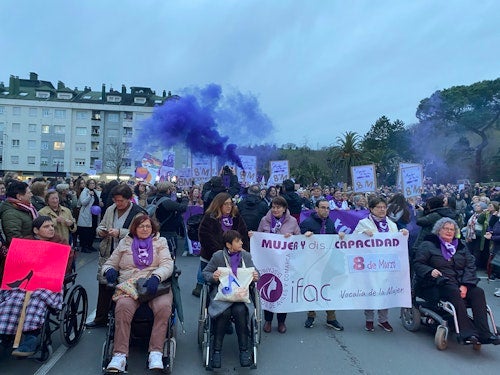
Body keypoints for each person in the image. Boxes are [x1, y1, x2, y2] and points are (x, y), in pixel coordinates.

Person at [102, 214, 174, 371]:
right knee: (122, 307)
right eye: (141, 226)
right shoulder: (124, 243)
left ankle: (155, 352)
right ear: (134, 228)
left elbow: (167, 264)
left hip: (154, 285)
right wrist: (109, 271)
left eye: (148, 226)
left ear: (152, 228)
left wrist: (157, 276)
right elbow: (109, 263)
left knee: (164, 307)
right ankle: (119, 355)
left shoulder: (160, 242)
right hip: (130, 285)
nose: (145, 229)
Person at [414, 217, 500, 345]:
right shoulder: (428, 245)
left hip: (460, 283)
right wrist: (430, 271)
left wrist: (465, 285)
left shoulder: (461, 246)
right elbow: (418, 263)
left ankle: (484, 334)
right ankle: (467, 333)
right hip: (437, 283)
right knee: (453, 291)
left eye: (452, 229)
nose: (449, 232)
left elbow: (470, 266)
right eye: (446, 229)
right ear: (438, 230)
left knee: (478, 292)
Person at [0, 216, 69, 356]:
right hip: (25, 281)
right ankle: (5, 334)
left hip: (49, 282)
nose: (51, 229)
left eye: (52, 226)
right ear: (36, 230)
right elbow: (15, 263)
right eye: (46, 226)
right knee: (13, 299)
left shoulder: (60, 242)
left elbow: (65, 266)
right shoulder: (25, 242)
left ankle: (30, 339)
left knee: (36, 300)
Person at [85, 184, 146, 329]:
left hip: (128, 255)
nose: (118, 204)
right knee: (104, 284)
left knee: (125, 287)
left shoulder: (138, 213)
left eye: (121, 201)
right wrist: (101, 230)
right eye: (116, 200)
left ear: (128, 199)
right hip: (109, 251)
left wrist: (120, 232)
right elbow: (102, 225)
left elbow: (141, 233)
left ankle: (122, 318)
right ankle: (101, 317)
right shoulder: (111, 209)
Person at [202, 230, 259, 368]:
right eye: (238, 241)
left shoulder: (245, 256)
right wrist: (213, 277)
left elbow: (255, 273)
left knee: (240, 311)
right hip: (222, 295)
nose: (241, 242)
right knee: (224, 313)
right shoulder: (218, 256)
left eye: (241, 240)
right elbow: (205, 273)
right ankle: (216, 351)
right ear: (228, 244)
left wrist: (256, 276)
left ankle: (244, 350)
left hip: (240, 296)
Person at [354, 196, 408, 332]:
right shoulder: (364, 223)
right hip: (369, 264)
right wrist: (362, 233)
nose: (382, 210)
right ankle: (369, 319)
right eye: (379, 207)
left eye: (384, 207)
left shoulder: (391, 224)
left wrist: (402, 235)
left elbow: (397, 243)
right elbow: (353, 241)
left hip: (386, 264)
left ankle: (383, 319)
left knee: (385, 291)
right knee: (370, 291)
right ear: (371, 209)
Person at [256, 196, 300, 333]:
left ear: (284, 208)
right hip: (268, 262)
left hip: (285, 262)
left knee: (283, 292)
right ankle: (268, 320)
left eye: (278, 207)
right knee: (267, 291)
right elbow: (259, 238)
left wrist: (291, 237)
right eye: (273, 207)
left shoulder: (292, 221)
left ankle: (281, 322)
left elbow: (299, 238)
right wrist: (253, 236)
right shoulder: (265, 220)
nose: (275, 210)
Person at [300, 199, 345, 330]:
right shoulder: (307, 223)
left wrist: (339, 235)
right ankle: (311, 315)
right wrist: (304, 235)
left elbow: (333, 238)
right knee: (311, 287)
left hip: (328, 262)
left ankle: (331, 318)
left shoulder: (330, 223)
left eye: (327, 208)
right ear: (316, 209)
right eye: (323, 208)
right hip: (311, 262)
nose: (326, 210)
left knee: (328, 288)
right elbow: (298, 241)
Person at [192, 192, 249, 297]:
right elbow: (206, 238)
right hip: (213, 257)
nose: (229, 206)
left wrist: (242, 250)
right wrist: (222, 254)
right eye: (225, 204)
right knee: (212, 288)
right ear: (219, 205)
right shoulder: (210, 218)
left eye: (230, 204)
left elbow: (243, 235)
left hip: (235, 258)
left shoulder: (236, 217)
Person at [152, 182, 188, 258]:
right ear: (168, 190)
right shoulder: (167, 202)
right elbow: (182, 208)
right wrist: (185, 198)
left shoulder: (156, 199)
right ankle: (170, 267)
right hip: (168, 231)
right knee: (170, 251)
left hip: (159, 228)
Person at [0, 180, 38, 245]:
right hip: (24, 248)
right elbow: (14, 239)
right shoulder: (10, 214)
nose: (31, 195)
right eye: (29, 193)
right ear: (19, 197)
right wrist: (33, 241)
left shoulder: (27, 208)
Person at [77, 179, 101, 253]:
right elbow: (83, 202)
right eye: (90, 183)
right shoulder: (85, 192)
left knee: (92, 231)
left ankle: (90, 245)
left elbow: (97, 200)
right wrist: (89, 195)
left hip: (94, 215)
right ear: (87, 184)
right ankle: (85, 247)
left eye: (93, 183)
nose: (92, 185)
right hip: (86, 214)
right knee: (86, 231)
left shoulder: (95, 191)